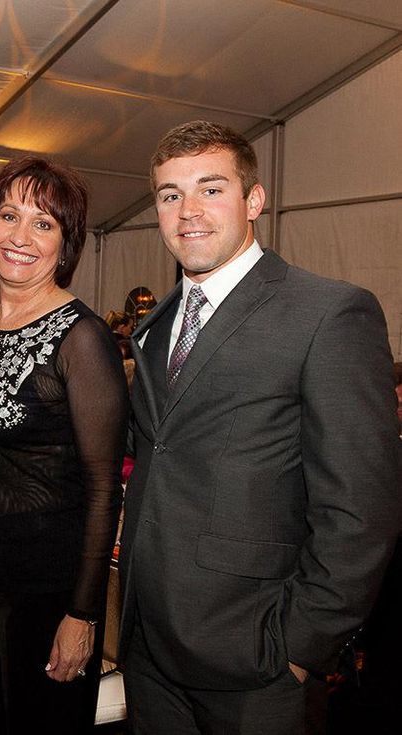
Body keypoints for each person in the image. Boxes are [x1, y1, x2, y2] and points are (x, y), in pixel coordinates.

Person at [118, 120, 400, 734]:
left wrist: (299, 648)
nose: (187, 211)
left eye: (210, 189)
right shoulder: (156, 323)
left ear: (254, 200)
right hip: (150, 648)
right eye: (170, 195)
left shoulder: (328, 312)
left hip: (255, 661)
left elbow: (360, 508)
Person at [0, 155, 129, 733]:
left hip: (46, 593)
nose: (20, 237)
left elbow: (104, 488)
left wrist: (83, 614)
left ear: (66, 244)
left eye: (43, 223)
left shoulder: (84, 339)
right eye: (8, 215)